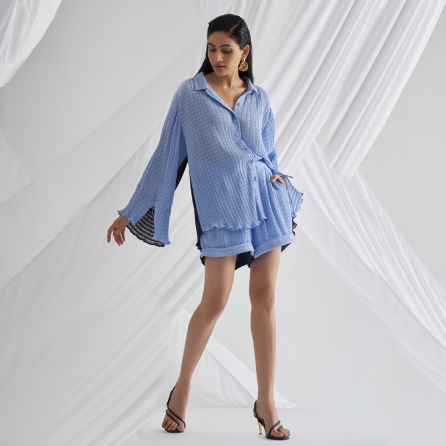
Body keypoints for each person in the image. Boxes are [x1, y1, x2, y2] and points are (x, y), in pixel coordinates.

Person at [107, 13, 304, 440]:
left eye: (226, 50)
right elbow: (167, 155)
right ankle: (182, 390)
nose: (217, 57)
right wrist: (132, 211)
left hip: (265, 202)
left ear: (244, 53)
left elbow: (268, 153)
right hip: (221, 209)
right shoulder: (190, 95)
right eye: (212, 49)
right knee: (214, 303)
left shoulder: (259, 98)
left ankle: (266, 402)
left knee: (265, 298)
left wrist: (277, 177)